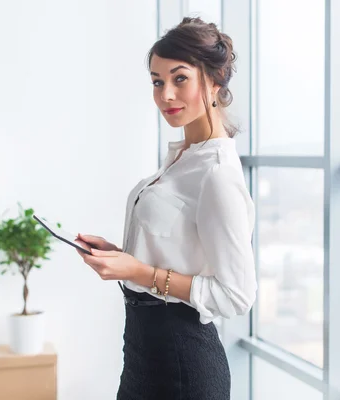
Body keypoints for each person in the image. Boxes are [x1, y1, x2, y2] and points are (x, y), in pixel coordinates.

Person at [75, 17, 257, 400]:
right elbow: (175, 248)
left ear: (214, 82)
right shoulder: (183, 158)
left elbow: (237, 295)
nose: (165, 95)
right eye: (158, 82)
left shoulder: (217, 174)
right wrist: (123, 257)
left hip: (184, 364)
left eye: (179, 79)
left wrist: (139, 271)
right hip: (144, 351)